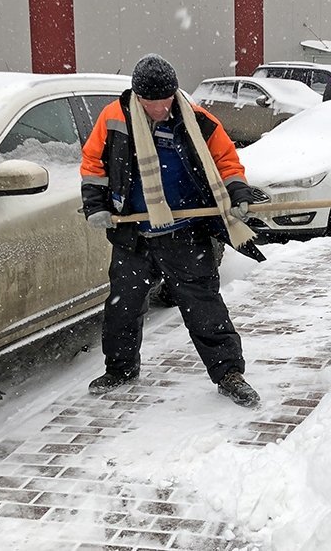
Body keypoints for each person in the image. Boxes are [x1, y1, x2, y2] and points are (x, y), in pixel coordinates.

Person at [80, 53, 264, 407]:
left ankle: (228, 373)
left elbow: (226, 161)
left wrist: (238, 192)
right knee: (122, 307)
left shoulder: (196, 120)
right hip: (134, 234)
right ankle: (120, 369)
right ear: (138, 97)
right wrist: (96, 205)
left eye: (165, 101)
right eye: (151, 103)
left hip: (185, 233)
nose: (159, 109)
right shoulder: (114, 117)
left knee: (204, 306)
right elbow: (93, 163)